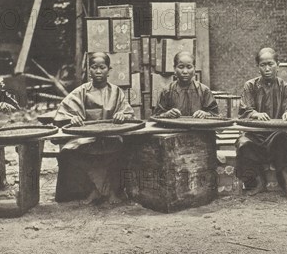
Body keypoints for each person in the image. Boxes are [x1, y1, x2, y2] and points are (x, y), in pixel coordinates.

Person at [54, 52, 134, 204]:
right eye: (94, 67)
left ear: (109, 70)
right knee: (68, 153)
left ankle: (112, 191)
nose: (98, 71)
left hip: (111, 138)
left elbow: (128, 112)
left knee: (127, 149)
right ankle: (90, 190)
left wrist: (122, 115)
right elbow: (63, 113)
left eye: (102, 67)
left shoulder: (116, 92)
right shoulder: (81, 91)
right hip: (87, 139)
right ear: (88, 70)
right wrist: (73, 118)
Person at [236, 48, 287, 199]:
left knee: (285, 139)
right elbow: (244, 109)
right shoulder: (250, 86)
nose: (267, 68)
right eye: (263, 65)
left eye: (270, 64)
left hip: (277, 134)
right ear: (258, 66)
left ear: (278, 65)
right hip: (255, 135)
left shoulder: (285, 88)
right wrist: (255, 114)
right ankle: (259, 182)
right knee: (243, 143)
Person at [153, 51, 219, 118]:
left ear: (194, 69)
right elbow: (156, 116)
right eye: (181, 67)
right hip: (174, 128)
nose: (185, 71)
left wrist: (205, 114)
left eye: (189, 67)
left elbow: (215, 114)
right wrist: (167, 114)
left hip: (198, 128)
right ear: (174, 69)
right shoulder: (167, 91)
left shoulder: (204, 91)